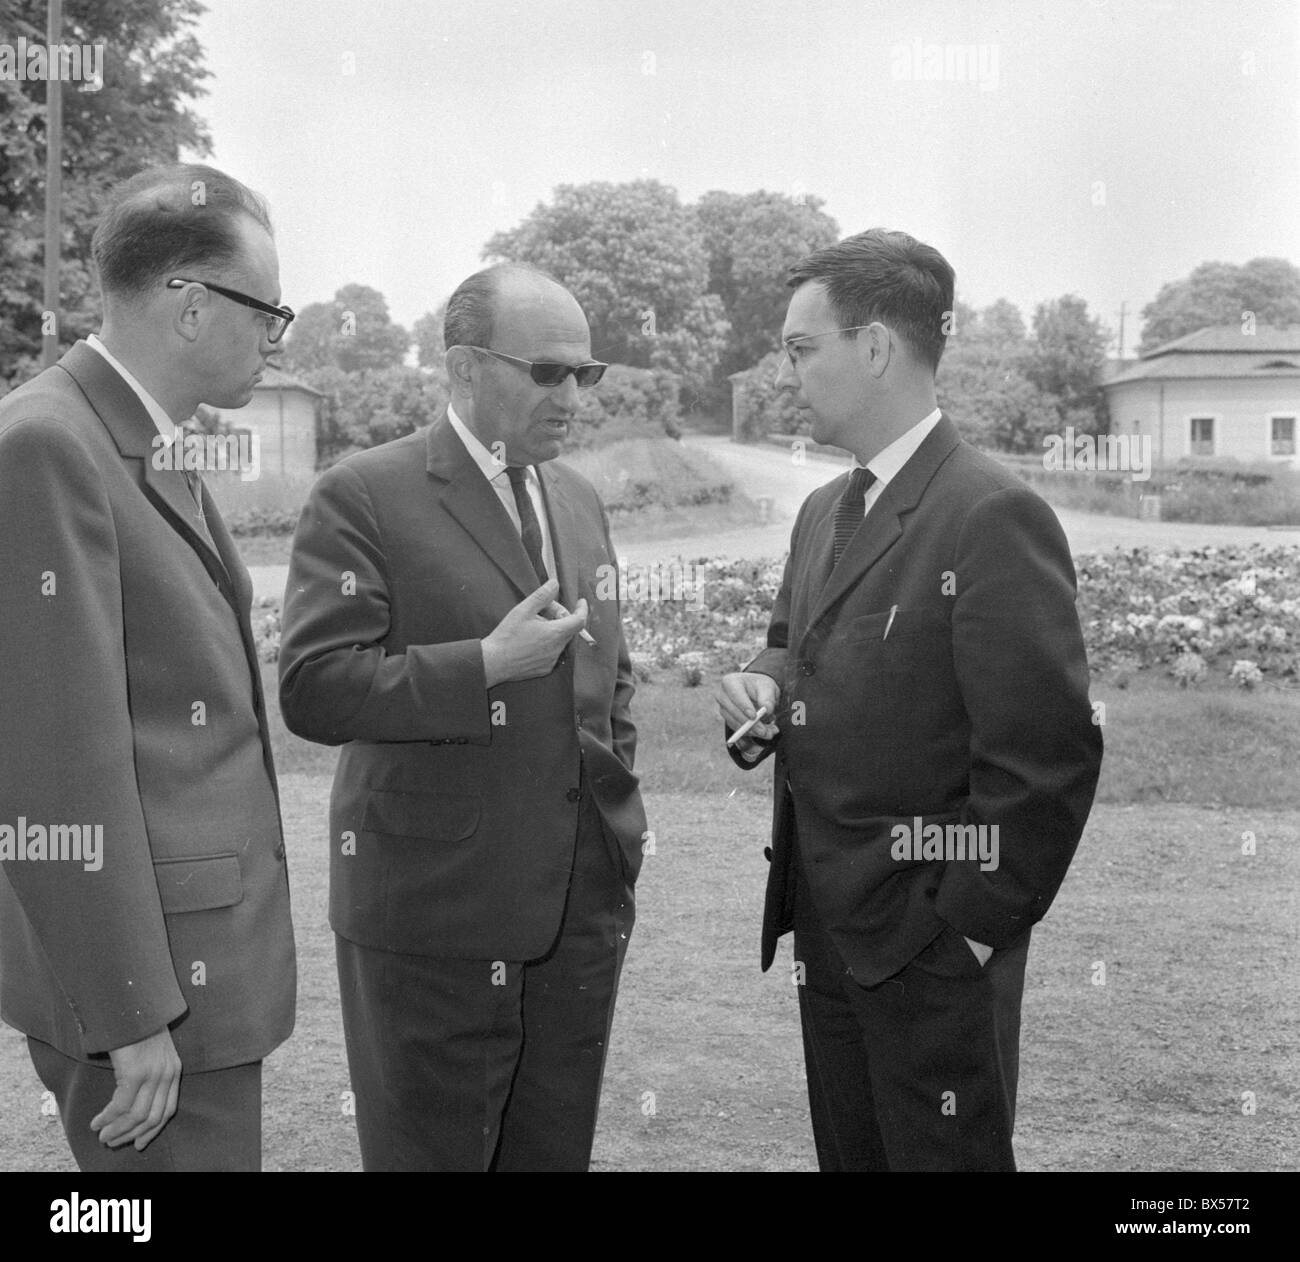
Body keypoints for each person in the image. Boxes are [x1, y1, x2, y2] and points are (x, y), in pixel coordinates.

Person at [716, 228, 1103, 1172]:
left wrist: (967, 927)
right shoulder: (822, 510)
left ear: (877, 348)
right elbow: (794, 640)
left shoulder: (989, 513)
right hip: (826, 924)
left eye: (803, 348)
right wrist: (764, 683)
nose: (788, 372)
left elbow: (1042, 759)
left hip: (929, 944)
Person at [278, 262, 645, 1172]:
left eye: (586, 375)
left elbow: (612, 682)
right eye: (549, 371)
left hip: (574, 915)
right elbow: (316, 687)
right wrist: (484, 666)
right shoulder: (363, 492)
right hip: (432, 925)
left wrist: (616, 829)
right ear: (467, 367)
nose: (572, 396)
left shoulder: (578, 498)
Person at [0, 164, 297, 1171]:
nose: (273, 340)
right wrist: (129, 1010)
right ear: (189, 303)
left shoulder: (143, 441)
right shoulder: (48, 441)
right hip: (153, 994)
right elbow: (50, 759)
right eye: (268, 312)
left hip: (191, 969)